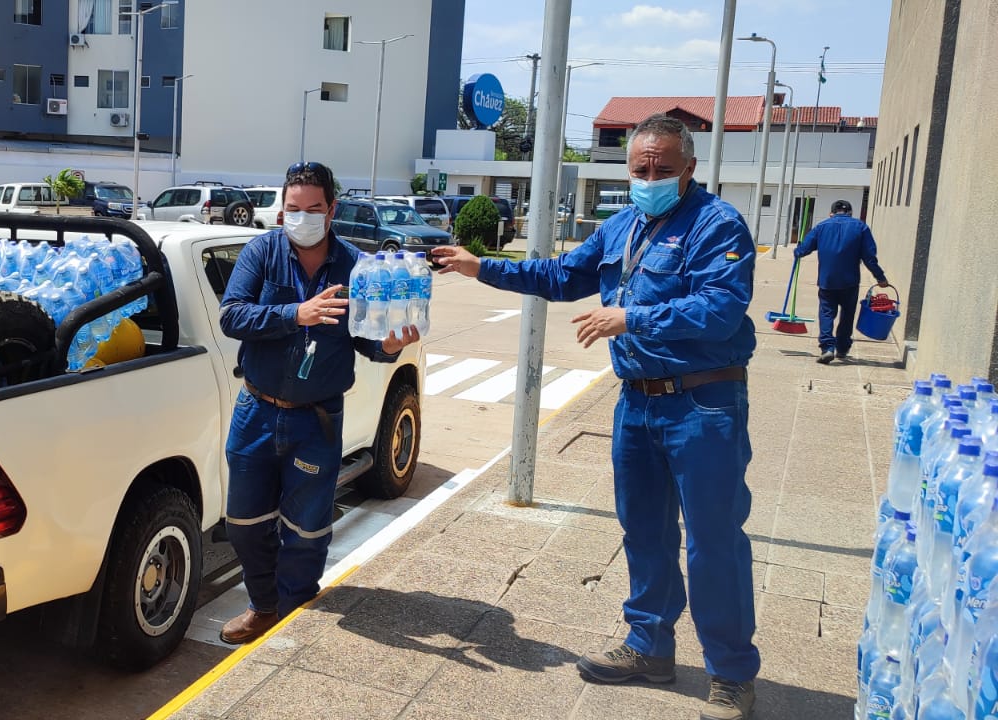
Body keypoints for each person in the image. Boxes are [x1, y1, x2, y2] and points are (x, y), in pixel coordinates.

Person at [432, 114, 760, 720]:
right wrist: (483, 268)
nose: (651, 177)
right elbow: (563, 276)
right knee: (644, 532)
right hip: (637, 402)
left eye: (664, 168)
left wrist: (631, 319)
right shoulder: (620, 226)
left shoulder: (718, 226)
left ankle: (732, 674)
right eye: (641, 169)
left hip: (703, 404)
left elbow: (720, 309)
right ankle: (649, 649)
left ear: (690, 167)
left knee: (714, 541)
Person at [217, 162, 419, 643]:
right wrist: (297, 313)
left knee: (307, 529)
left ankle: (293, 607)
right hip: (257, 413)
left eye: (312, 209)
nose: (301, 217)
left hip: (318, 420)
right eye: (292, 209)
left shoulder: (356, 266)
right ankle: (263, 604)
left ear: (331, 210)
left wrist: (387, 348)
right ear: (281, 207)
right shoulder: (262, 252)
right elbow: (232, 315)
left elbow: (367, 339)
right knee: (244, 524)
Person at [793, 199, 888, 364]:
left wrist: (798, 249)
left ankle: (827, 348)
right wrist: (880, 277)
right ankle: (842, 348)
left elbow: (803, 250)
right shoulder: (861, 227)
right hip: (850, 281)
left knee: (826, 313)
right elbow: (869, 258)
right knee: (847, 315)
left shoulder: (821, 227)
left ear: (831, 213)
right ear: (851, 213)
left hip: (827, 280)